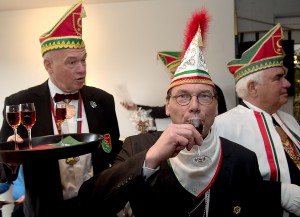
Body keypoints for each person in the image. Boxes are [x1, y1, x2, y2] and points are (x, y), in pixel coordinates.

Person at [78, 9, 271, 217]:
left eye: (204, 96)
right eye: (183, 96)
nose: (194, 105)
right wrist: (149, 159)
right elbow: (90, 203)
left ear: (217, 106)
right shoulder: (137, 147)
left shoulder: (244, 159)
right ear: (167, 106)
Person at [0, 1, 122, 217]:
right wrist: (10, 162)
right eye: (72, 62)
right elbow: (3, 165)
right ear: (48, 66)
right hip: (45, 211)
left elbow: (112, 150)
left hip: (97, 208)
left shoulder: (103, 100)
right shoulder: (20, 103)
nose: (82, 69)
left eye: (84, 60)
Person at [214, 23, 300, 217]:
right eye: (278, 78)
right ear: (252, 88)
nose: (287, 83)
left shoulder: (289, 120)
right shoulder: (224, 125)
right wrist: (281, 194)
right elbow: (220, 185)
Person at [120, 51, 227, 118]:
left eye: (173, 73)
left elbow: (221, 118)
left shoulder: (212, 88)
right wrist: (136, 107)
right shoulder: (175, 92)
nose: (171, 77)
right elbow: (161, 111)